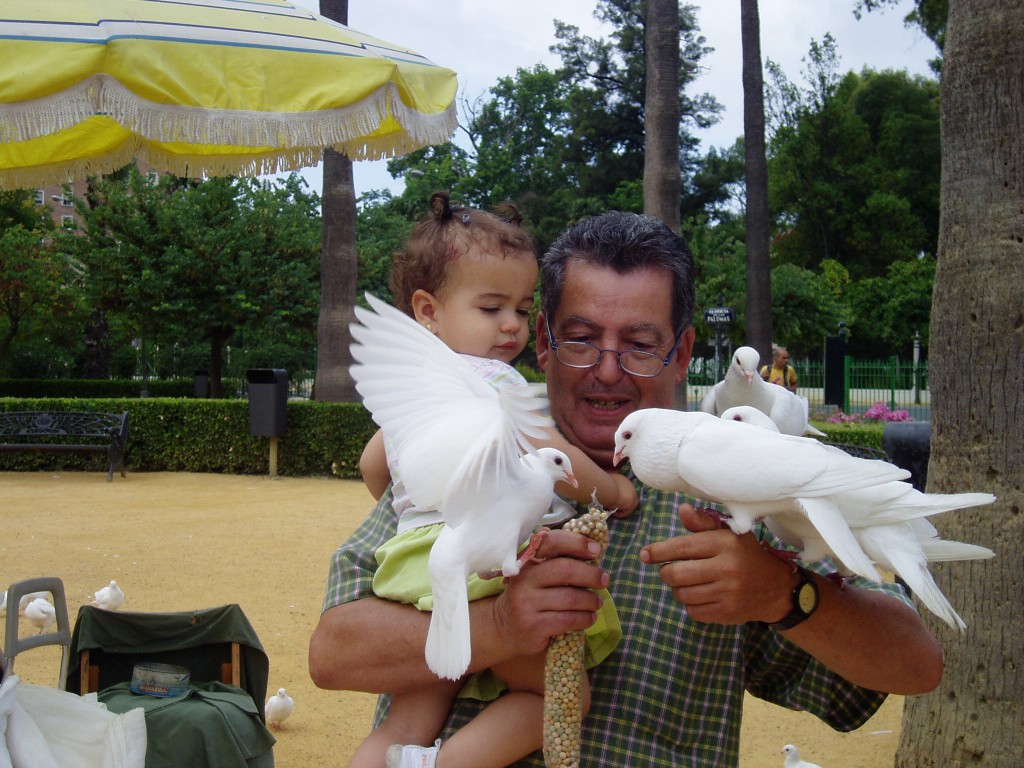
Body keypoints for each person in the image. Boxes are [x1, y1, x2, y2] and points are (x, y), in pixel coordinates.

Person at [310, 211, 943, 767]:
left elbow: (916, 663)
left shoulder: (724, 492)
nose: (607, 371)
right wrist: (502, 623)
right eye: (582, 340)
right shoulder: (474, 453)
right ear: (544, 343)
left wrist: (782, 593)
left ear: (683, 351)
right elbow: (333, 653)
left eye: (640, 345)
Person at [348, 193, 634, 768]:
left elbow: (372, 466)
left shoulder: (415, 400)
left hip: (412, 564)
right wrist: (615, 490)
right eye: (491, 308)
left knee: (408, 717)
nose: (511, 326)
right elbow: (550, 453)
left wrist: (418, 512)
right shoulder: (492, 380)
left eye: (522, 310)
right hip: (482, 562)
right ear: (427, 311)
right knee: (561, 696)